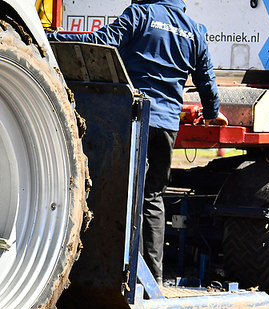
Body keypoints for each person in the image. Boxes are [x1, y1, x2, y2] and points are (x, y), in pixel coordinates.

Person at [47, 0, 228, 285]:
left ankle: (124, 277)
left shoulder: (141, 15)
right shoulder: (195, 31)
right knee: (153, 198)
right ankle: (151, 278)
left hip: (135, 118)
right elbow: (206, 79)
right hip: (167, 126)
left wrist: (50, 36)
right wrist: (212, 113)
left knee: (125, 195)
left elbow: (100, 42)